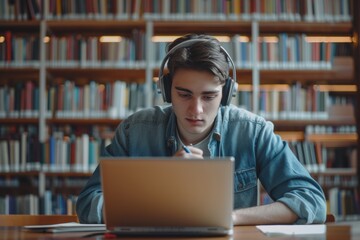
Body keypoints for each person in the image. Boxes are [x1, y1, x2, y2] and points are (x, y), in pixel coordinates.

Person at [76, 33, 327, 225]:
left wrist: (230, 217)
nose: (195, 110)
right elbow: (89, 204)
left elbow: (311, 201)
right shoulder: (135, 130)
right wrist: (160, 185)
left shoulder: (253, 131)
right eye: (184, 94)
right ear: (165, 90)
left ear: (226, 94)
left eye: (208, 97)